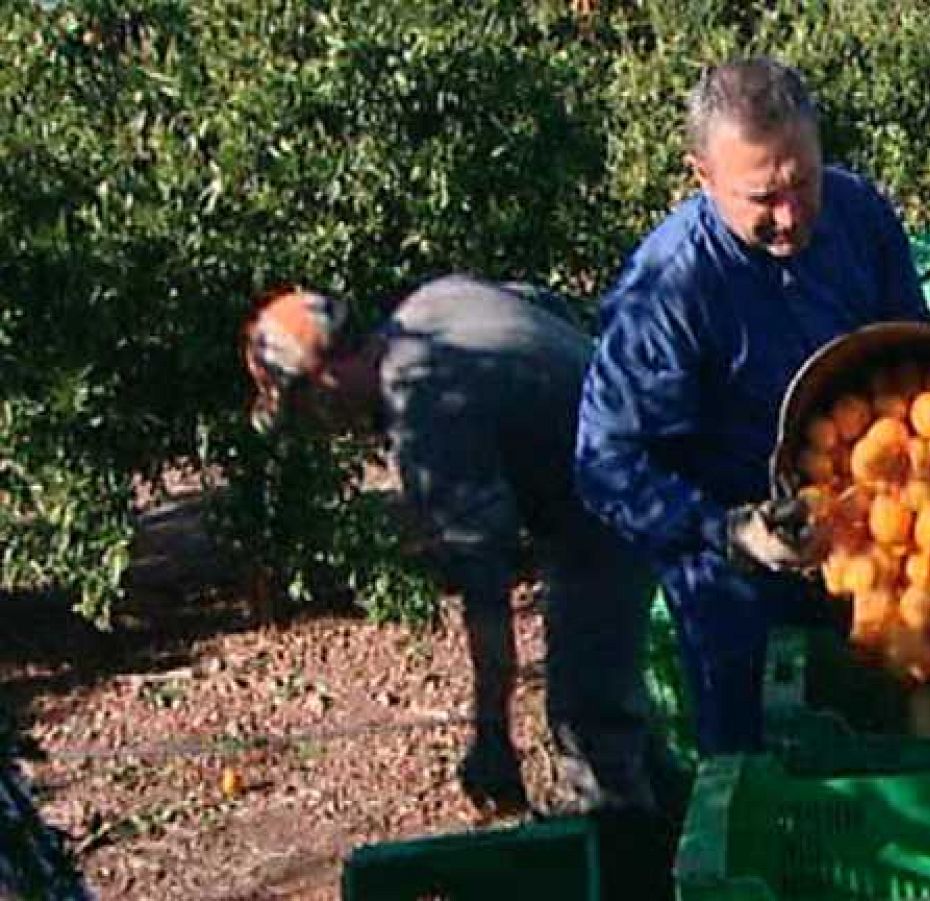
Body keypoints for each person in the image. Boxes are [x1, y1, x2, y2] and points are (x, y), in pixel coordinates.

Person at [575, 57, 930, 754]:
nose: (792, 214)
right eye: (763, 198)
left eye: (804, 181)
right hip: (735, 574)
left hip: (862, 529)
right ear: (702, 177)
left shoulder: (858, 215)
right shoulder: (669, 290)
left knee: (892, 729)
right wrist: (730, 531)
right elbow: (605, 462)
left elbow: (912, 349)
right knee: (763, 756)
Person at [242, 274, 671, 819]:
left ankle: (629, 865)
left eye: (305, 411)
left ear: (324, 382)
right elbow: (545, 306)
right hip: (637, 454)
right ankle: (666, 823)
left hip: (616, 502)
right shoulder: (431, 304)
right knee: (609, 693)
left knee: (588, 724)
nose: (320, 427)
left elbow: (486, 589)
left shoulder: (426, 410)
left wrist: (491, 734)